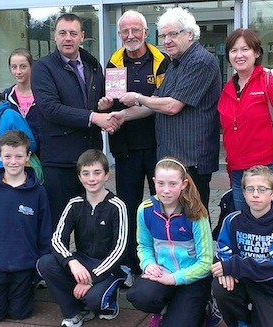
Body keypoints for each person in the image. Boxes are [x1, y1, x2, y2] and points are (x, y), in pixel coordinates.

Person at [104, 7, 221, 212]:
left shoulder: (200, 61)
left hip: (191, 160)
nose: (167, 40)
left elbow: (172, 106)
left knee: (193, 219)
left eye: (173, 34)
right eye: (164, 35)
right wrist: (122, 116)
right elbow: (155, 102)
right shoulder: (176, 64)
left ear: (189, 34)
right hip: (175, 157)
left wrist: (138, 97)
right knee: (173, 219)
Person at [31, 13, 120, 227]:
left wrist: (103, 106)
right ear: (55, 36)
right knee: (58, 223)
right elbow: (51, 109)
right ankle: (59, 261)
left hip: (89, 159)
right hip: (59, 161)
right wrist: (94, 116)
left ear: (82, 36)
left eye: (73, 33)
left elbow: (93, 104)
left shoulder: (92, 65)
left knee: (90, 224)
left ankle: (87, 261)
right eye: (62, 33)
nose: (67, 38)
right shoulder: (43, 68)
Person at [100, 9, 170, 280]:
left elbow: (163, 103)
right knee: (127, 207)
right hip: (125, 147)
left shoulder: (161, 60)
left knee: (160, 205)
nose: (130, 36)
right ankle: (129, 262)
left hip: (156, 144)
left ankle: (161, 259)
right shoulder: (114, 61)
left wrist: (138, 101)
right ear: (120, 35)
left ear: (145, 32)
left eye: (135, 30)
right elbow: (108, 100)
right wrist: (104, 105)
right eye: (125, 31)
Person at [0, 130, 51, 324]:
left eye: (19, 156)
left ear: (28, 156)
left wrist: (39, 270)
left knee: (20, 314)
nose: (13, 161)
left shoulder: (38, 192)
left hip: (23, 266)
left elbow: (45, 232)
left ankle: (19, 292)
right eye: (7, 156)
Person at [37, 149, 128, 327]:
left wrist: (92, 278)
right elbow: (57, 239)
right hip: (82, 260)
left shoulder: (117, 206)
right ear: (79, 177)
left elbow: (120, 248)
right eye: (86, 173)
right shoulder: (75, 204)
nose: (91, 179)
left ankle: (109, 301)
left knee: (95, 301)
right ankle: (73, 312)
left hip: (108, 267)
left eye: (97, 173)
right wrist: (71, 261)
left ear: (107, 175)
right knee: (45, 263)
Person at [217, 28, 273, 211]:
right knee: (244, 229)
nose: (239, 55)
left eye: (245, 49)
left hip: (267, 169)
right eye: (233, 50)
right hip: (239, 173)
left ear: (256, 52)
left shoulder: (271, 79)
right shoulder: (227, 89)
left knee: (269, 228)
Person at [126, 157, 213, 327]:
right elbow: (144, 245)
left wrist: (174, 278)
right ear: (153, 182)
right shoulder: (145, 210)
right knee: (138, 295)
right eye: (161, 183)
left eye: (172, 184)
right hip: (162, 273)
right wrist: (148, 263)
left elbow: (206, 262)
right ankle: (165, 308)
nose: (166, 190)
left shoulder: (196, 214)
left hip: (192, 278)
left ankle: (205, 307)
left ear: (184, 184)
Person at [211, 165, 273, 327]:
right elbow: (223, 254)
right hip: (242, 281)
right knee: (220, 286)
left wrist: (233, 266)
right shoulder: (231, 220)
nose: (255, 194)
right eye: (250, 189)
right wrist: (225, 271)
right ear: (243, 193)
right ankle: (241, 322)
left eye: (262, 189)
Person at [1, 48, 40, 151]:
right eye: (14, 67)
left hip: (42, 153)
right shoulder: (5, 96)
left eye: (23, 67)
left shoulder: (42, 94)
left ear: (31, 67)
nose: (18, 71)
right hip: (14, 155)